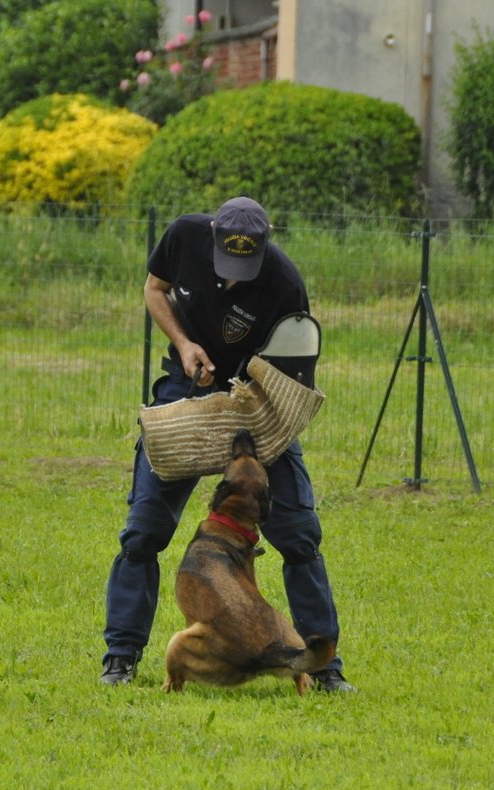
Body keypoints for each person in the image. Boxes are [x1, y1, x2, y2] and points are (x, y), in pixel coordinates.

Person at [100, 196, 353, 692]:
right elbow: (155, 289)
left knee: (301, 539)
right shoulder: (183, 235)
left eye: (246, 266)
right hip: (187, 387)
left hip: (253, 406)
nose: (235, 277)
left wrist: (253, 395)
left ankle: (326, 671)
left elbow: (293, 374)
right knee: (143, 532)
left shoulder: (285, 284)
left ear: (268, 239)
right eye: (227, 264)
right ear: (212, 231)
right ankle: (120, 660)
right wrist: (185, 345)